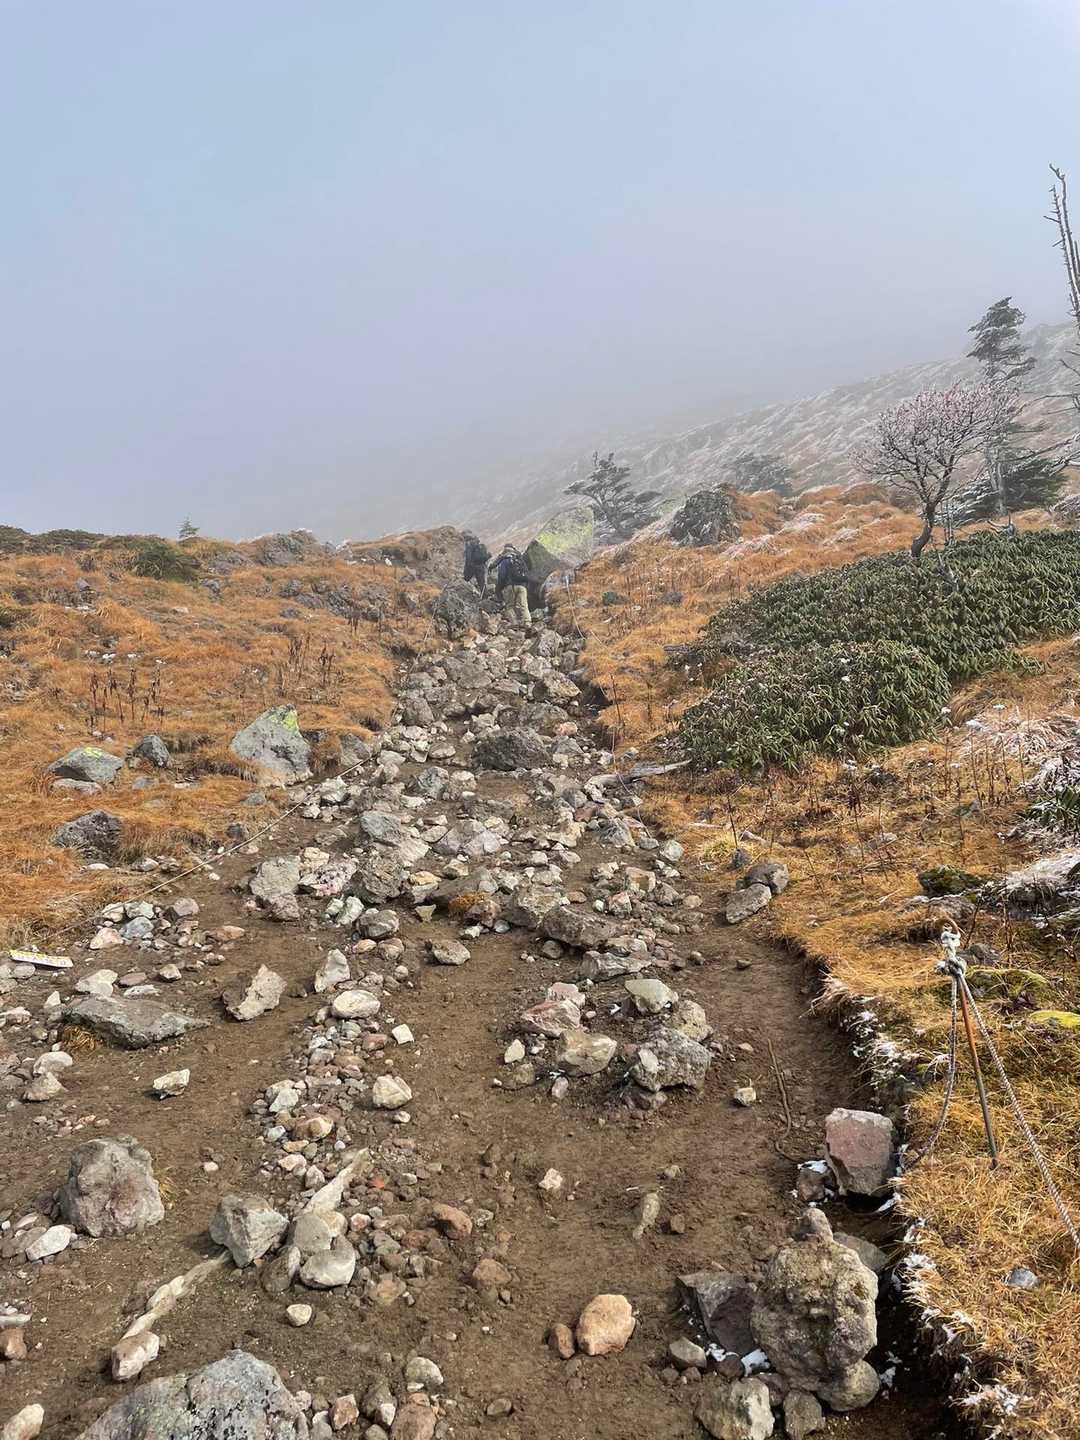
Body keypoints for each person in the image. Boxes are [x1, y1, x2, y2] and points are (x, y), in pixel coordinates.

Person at [493, 545, 531, 626]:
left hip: (510, 586)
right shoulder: (519, 560)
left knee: (510, 606)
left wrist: (499, 588)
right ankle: (527, 622)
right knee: (524, 605)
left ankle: (515, 623)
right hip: (522, 586)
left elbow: (502, 576)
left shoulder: (505, 561)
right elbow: (527, 572)